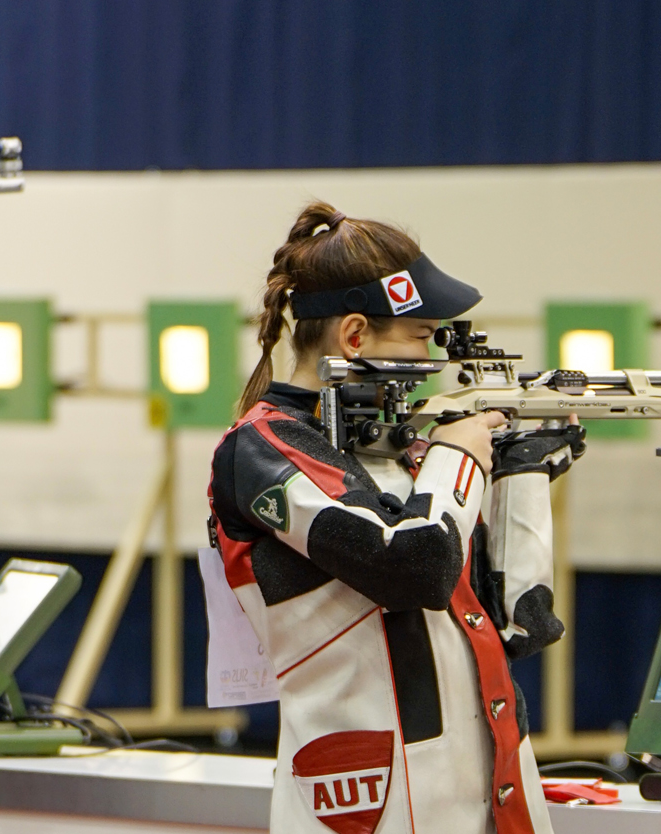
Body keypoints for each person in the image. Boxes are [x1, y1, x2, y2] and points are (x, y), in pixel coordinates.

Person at [207, 202, 580, 834]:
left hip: (485, 792)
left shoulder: (409, 458)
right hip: (368, 802)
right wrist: (460, 457)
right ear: (354, 336)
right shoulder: (262, 450)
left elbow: (522, 624)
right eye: (422, 336)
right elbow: (412, 569)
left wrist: (522, 473)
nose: (435, 355)